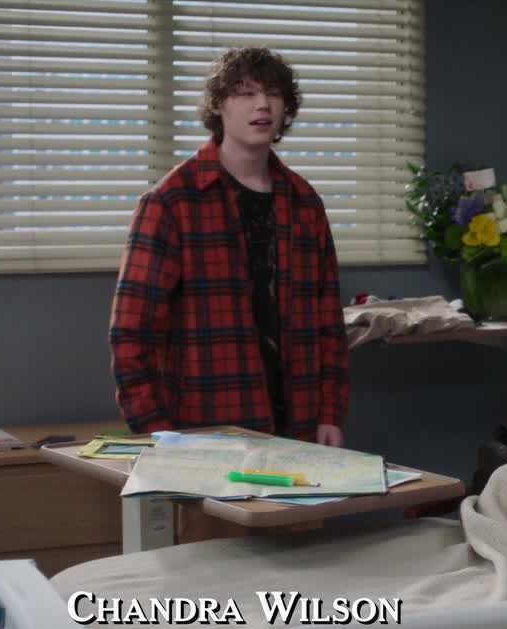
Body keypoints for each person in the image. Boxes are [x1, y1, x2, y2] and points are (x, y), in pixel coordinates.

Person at [109, 47, 349, 446]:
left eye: (273, 93)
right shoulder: (172, 202)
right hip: (206, 431)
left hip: (301, 428)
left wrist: (330, 413)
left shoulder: (305, 202)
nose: (262, 104)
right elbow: (131, 334)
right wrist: (157, 432)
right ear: (219, 104)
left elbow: (329, 324)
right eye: (245, 93)